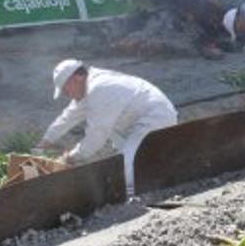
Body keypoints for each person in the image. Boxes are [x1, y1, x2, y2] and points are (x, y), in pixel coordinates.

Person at [38, 60, 177, 194]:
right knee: (124, 155)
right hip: (135, 122)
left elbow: (97, 136)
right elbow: (67, 117)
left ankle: (131, 198)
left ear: (77, 78)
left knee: (125, 164)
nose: (66, 94)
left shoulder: (100, 88)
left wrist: (69, 158)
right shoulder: (88, 88)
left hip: (155, 117)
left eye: (65, 90)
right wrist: (44, 142)